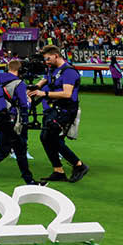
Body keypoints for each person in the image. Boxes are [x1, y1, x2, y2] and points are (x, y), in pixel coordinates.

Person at [30, 45, 89, 183]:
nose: (46, 61)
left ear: (56, 55)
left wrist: (43, 93)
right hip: (53, 108)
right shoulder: (52, 69)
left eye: (48, 58)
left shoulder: (69, 72)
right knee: (45, 137)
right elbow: (45, 79)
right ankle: (58, 170)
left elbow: (67, 94)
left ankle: (79, 165)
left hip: (66, 110)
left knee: (52, 138)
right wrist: (36, 87)